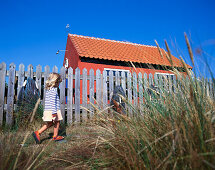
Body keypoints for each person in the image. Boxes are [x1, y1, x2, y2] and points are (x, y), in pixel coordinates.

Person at [32, 73, 64, 144]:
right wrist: (54, 112)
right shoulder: (54, 90)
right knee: (57, 121)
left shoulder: (49, 89)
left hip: (49, 109)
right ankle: (55, 136)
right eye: (58, 82)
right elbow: (52, 102)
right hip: (53, 110)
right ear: (55, 82)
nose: (59, 84)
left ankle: (38, 132)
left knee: (50, 123)